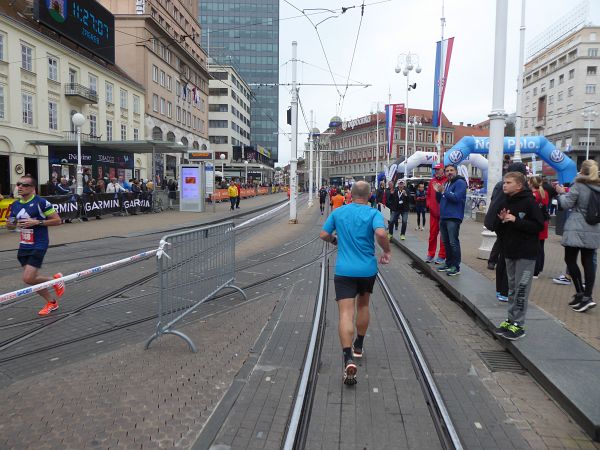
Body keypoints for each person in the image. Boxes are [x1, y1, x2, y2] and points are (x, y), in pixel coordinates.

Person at [319, 181, 391, 385]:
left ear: (350, 194)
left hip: (344, 270)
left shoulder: (339, 212)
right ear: (369, 195)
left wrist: (336, 241)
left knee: (345, 313)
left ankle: (347, 357)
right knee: (364, 305)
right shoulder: (373, 213)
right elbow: (380, 233)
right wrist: (386, 251)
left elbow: (324, 234)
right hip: (367, 269)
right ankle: (358, 345)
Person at [494, 171, 544, 340]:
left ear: (519, 185)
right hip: (510, 250)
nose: (504, 185)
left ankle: (519, 324)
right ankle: (510, 319)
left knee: (522, 289)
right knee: (512, 287)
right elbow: (505, 227)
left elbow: (538, 226)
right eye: (504, 182)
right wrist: (502, 220)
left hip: (526, 253)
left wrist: (516, 220)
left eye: (508, 182)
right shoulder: (506, 201)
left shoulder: (530, 202)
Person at [6, 176, 65, 316]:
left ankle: (55, 281)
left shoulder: (41, 202)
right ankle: (52, 302)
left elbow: (57, 221)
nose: (20, 187)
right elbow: (10, 225)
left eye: (24, 185)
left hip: (39, 244)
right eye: (18, 184)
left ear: (33, 188)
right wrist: (12, 225)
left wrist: (37, 222)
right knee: (32, 280)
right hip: (24, 245)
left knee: (28, 278)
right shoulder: (15, 205)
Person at [555, 160, 600, 312]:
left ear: (581, 170)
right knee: (588, 262)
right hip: (593, 228)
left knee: (570, 259)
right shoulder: (598, 186)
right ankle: (586, 296)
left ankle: (582, 294)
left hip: (576, 227)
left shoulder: (579, 185)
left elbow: (566, 204)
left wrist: (561, 193)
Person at [485, 162, 530, 301]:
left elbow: (494, 202)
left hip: (498, 223)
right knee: (507, 259)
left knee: (503, 257)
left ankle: (501, 290)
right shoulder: (513, 187)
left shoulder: (500, 184)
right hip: (507, 224)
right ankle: (505, 291)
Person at [435, 164, 467, 276]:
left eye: (451, 170)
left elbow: (456, 198)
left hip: (453, 216)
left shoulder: (460, 183)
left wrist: (444, 191)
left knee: (453, 242)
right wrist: (438, 191)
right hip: (444, 216)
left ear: (456, 171)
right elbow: (440, 200)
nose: (449, 172)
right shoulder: (446, 183)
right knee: (446, 242)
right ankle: (448, 263)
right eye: (447, 171)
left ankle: (456, 266)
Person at [425, 164, 447, 264]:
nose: (437, 171)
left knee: (443, 236)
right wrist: (429, 205)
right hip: (433, 214)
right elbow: (428, 195)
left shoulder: (447, 181)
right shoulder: (432, 181)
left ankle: (442, 256)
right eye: (435, 170)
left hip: (443, 214)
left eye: (438, 169)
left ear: (443, 170)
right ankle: (430, 254)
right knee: (432, 235)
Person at [529, 176, 550, 278]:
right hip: (544, 222)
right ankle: (540, 267)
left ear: (532, 184)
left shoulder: (534, 195)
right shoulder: (544, 193)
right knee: (541, 247)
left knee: (536, 248)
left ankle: (535, 271)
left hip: (536, 223)